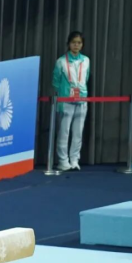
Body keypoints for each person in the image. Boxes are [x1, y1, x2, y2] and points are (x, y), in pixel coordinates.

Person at [52, 31, 91, 171]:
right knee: (64, 132)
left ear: (82, 45)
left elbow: (86, 78)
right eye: (74, 42)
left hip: (82, 98)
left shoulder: (86, 60)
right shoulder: (61, 61)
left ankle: (74, 160)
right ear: (69, 44)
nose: (76, 45)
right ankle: (63, 161)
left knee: (78, 132)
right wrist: (63, 93)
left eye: (79, 43)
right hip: (65, 100)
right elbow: (55, 82)